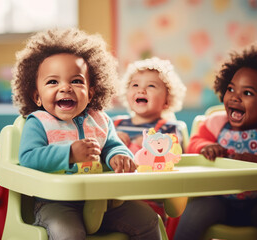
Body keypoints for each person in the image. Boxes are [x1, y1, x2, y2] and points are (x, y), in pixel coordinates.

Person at [12, 28, 162, 240]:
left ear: (91, 92)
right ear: (37, 96)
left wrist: (119, 156)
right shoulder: (38, 123)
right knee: (69, 233)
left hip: (103, 200)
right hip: (55, 202)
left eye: (76, 81)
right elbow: (29, 159)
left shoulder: (100, 120)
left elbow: (112, 145)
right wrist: (69, 154)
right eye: (53, 82)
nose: (65, 88)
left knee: (148, 220)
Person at [174, 43, 257, 240]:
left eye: (248, 93)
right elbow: (194, 143)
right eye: (231, 89)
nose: (235, 97)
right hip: (218, 199)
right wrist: (205, 147)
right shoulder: (216, 122)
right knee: (192, 215)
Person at [113, 57, 187, 228]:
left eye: (151, 86)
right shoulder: (115, 124)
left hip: (152, 201)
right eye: (135, 85)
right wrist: (114, 142)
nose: (142, 90)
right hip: (115, 199)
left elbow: (175, 157)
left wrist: (152, 146)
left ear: (167, 100)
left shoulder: (169, 128)